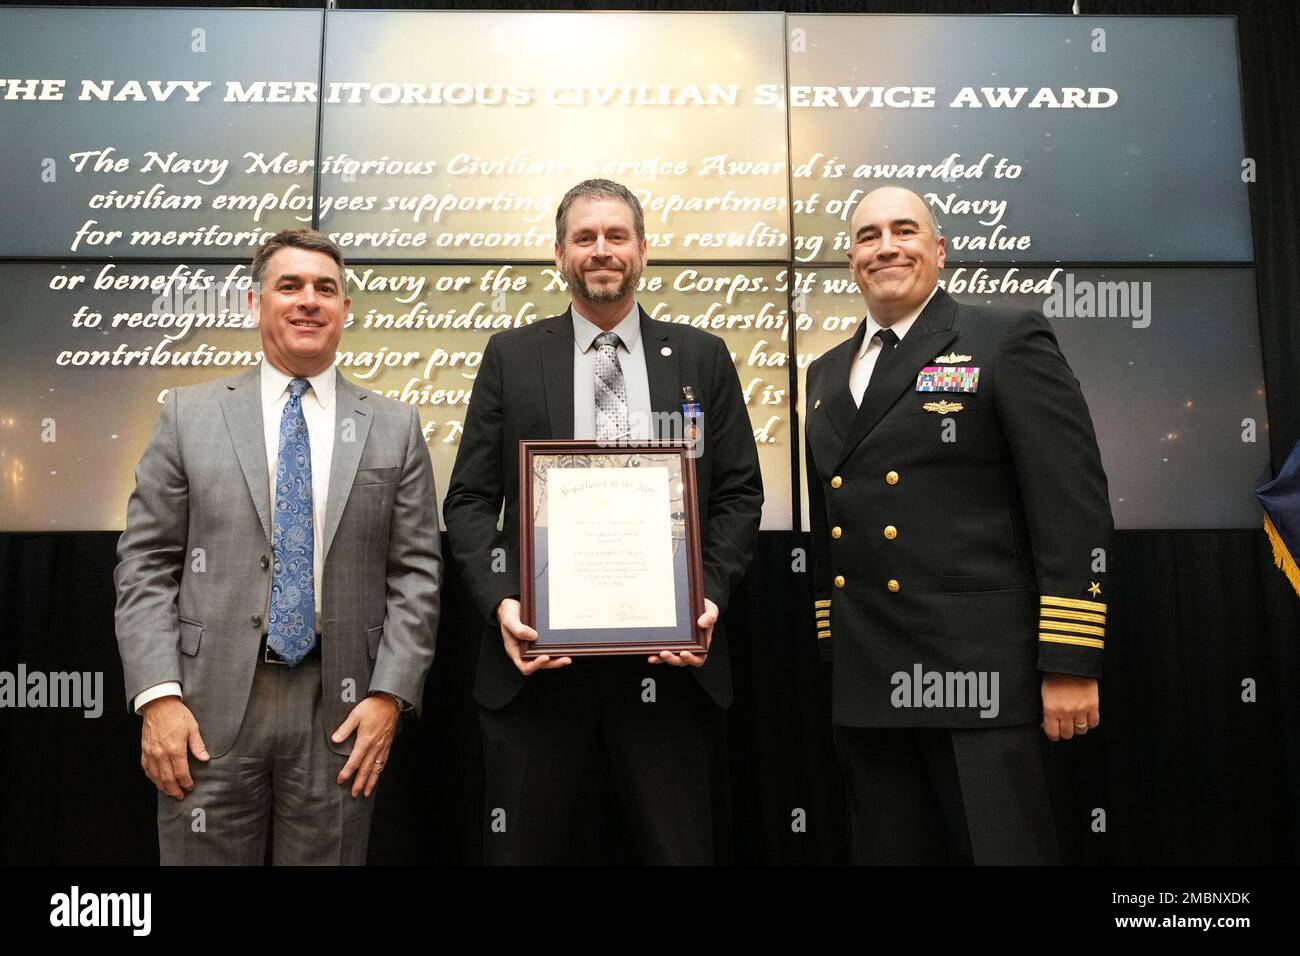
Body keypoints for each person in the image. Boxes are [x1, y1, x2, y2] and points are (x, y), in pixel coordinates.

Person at [443, 179, 763, 864]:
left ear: (643, 250)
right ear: (559, 255)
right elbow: (469, 499)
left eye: (616, 236)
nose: (601, 251)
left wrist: (703, 598)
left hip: (672, 669)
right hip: (540, 668)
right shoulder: (512, 356)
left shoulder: (701, 358)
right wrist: (502, 601)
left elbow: (738, 494)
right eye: (585, 238)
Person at [804, 186, 1112, 864]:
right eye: (867, 236)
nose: (885, 246)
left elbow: (1071, 503)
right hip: (869, 676)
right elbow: (832, 528)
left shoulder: (1004, 338)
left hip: (980, 675)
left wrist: (1069, 659)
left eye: (904, 230)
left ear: (938, 250)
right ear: (850, 259)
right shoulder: (824, 373)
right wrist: (835, 651)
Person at [114, 229, 442, 865]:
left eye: (326, 288)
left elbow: (417, 574)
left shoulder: (396, 427)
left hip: (343, 712)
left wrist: (389, 696)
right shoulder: (189, 414)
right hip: (203, 711)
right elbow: (146, 564)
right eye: (289, 286)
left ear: (346, 309)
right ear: (254, 302)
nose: (308, 301)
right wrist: (158, 696)